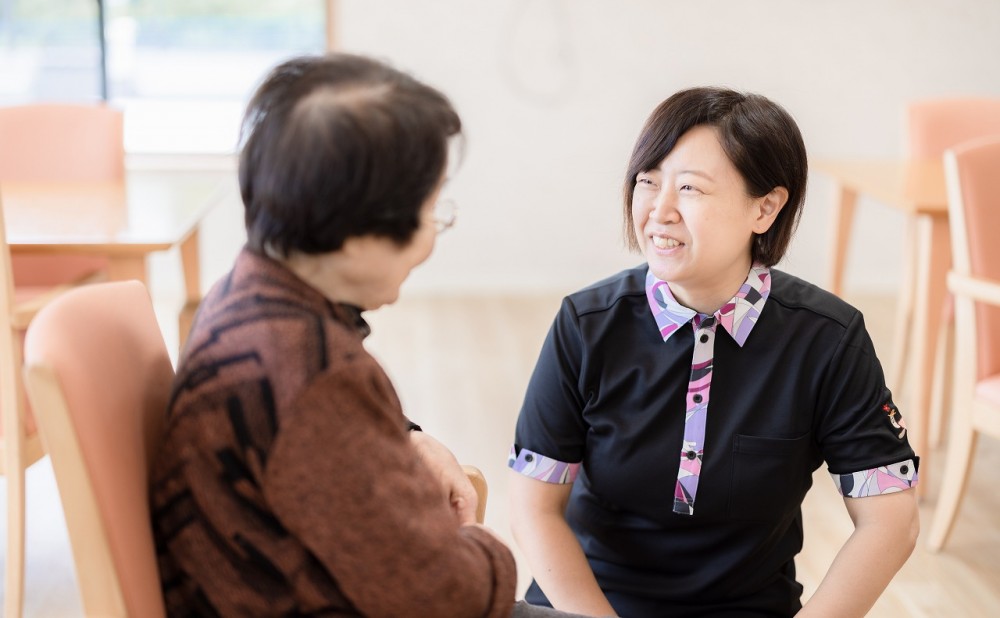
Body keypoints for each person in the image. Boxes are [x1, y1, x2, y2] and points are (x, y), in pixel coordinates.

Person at [149, 53, 582, 618]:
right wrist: (485, 546)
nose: (431, 238)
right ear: (355, 237)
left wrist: (402, 440)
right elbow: (445, 596)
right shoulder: (314, 375)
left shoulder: (246, 296)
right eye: (430, 212)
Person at [507, 87, 920, 617]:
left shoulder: (827, 339)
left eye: (689, 189)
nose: (659, 210)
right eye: (647, 182)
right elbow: (533, 505)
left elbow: (891, 519)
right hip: (590, 605)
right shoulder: (587, 325)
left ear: (765, 207)